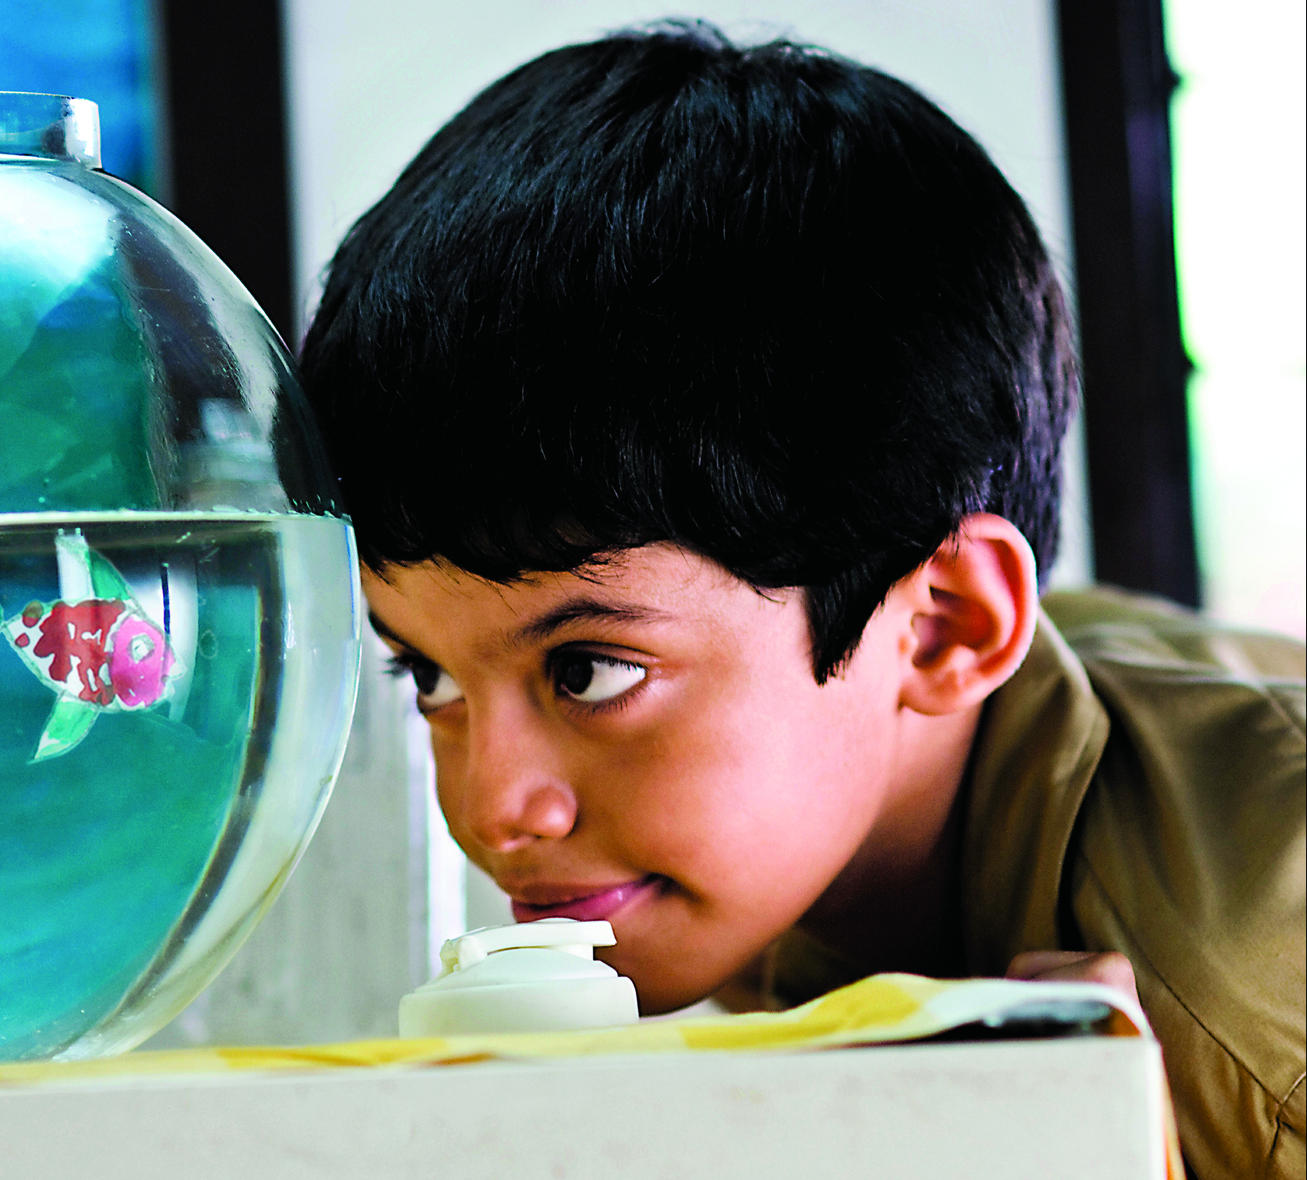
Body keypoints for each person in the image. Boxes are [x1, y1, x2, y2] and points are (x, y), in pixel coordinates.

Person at [296, 22, 1303, 1180]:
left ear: (942, 627)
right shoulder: (801, 844)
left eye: (588, 670)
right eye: (427, 673)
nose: (494, 806)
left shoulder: (1259, 1001)